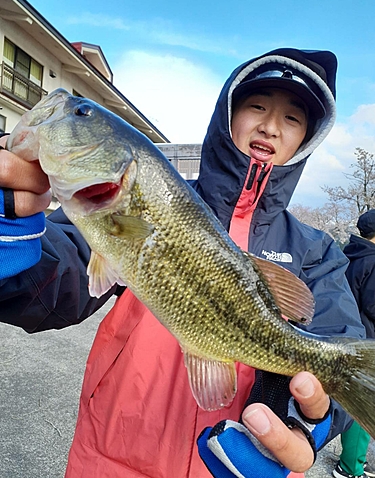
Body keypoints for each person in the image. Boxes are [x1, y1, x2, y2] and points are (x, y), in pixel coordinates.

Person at [0, 48, 366, 478]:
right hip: (109, 458)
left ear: (307, 139)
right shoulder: (116, 202)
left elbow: (339, 342)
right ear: (227, 115)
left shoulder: (315, 250)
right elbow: (58, 282)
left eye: (292, 118)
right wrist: (16, 240)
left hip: (227, 461)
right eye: (257, 106)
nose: (270, 125)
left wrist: (307, 424)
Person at [332, 209, 375, 478]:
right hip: (368, 342)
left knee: (353, 400)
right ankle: (350, 467)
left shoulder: (350, 255)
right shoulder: (373, 261)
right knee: (366, 402)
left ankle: (354, 460)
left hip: (349, 338)